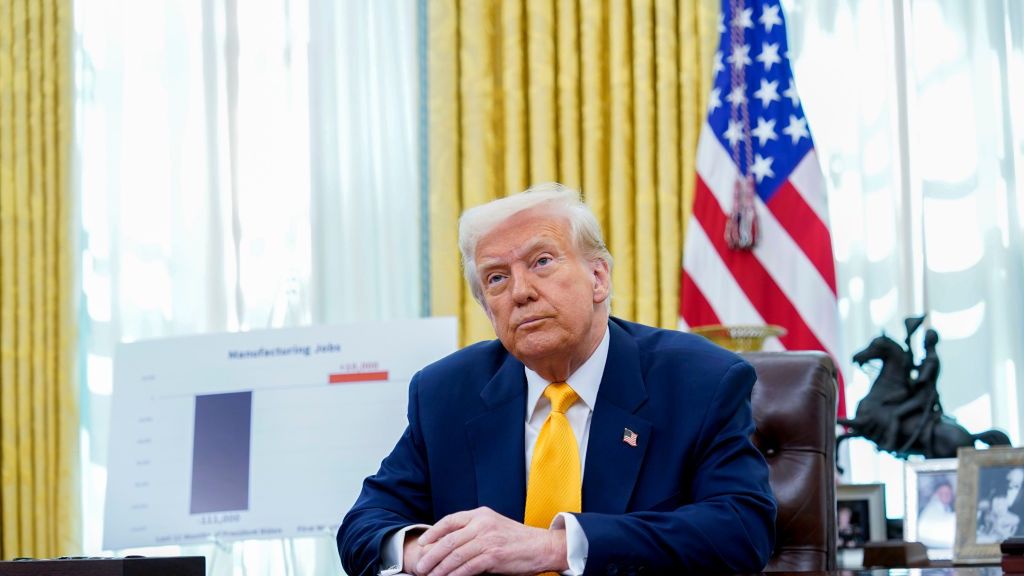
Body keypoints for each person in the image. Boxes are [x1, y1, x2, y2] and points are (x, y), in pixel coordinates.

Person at [336, 183, 777, 575]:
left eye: (542, 261)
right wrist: (423, 553)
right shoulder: (445, 393)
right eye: (496, 278)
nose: (520, 292)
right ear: (488, 310)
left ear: (598, 277)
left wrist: (554, 547)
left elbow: (741, 530)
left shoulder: (700, 381)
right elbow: (365, 524)